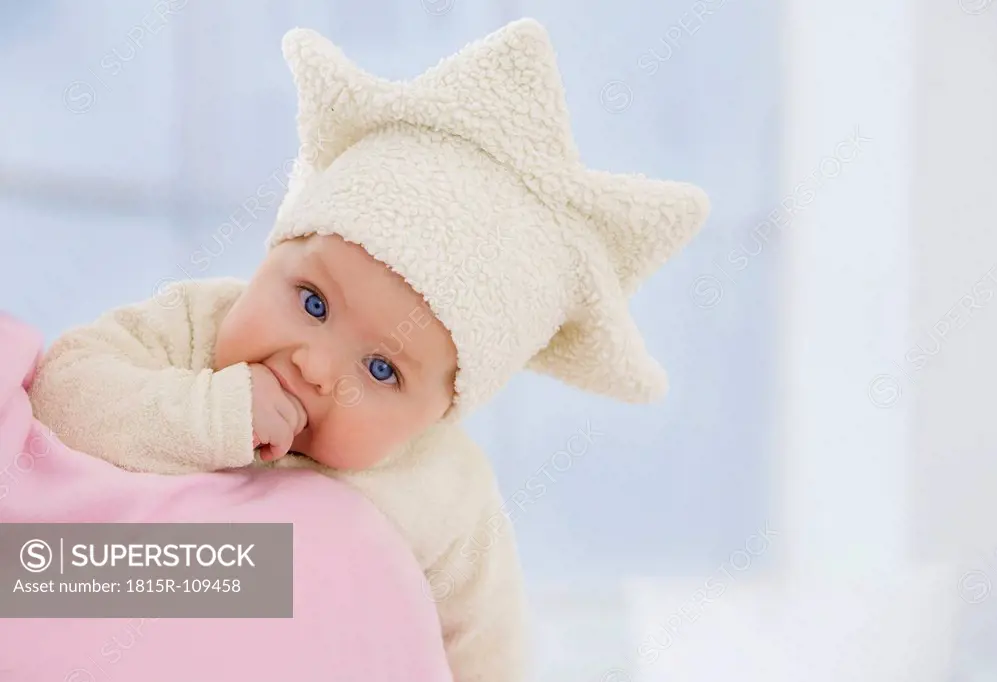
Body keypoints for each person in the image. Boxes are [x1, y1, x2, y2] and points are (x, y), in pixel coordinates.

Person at [28, 18, 710, 681]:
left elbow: (484, 649)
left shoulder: (447, 493)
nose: (314, 366)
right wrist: (213, 413)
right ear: (277, 251)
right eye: (312, 302)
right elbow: (62, 399)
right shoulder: (193, 324)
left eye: (382, 369)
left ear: (442, 411)